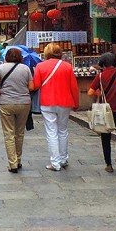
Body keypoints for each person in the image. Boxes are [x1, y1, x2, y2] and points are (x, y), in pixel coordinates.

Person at [29, 43, 79, 171]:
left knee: (51, 132)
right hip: (65, 101)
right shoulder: (67, 66)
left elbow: (36, 85)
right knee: (63, 130)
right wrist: (76, 102)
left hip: (47, 101)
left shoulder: (40, 66)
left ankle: (55, 162)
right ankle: (63, 159)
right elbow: (74, 87)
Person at [0, 46, 33, 173]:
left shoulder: (1, 68)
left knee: (9, 133)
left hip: (6, 103)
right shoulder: (26, 68)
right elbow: (31, 86)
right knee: (19, 133)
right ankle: (18, 160)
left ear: (7, 57)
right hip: (24, 103)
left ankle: (12, 163)